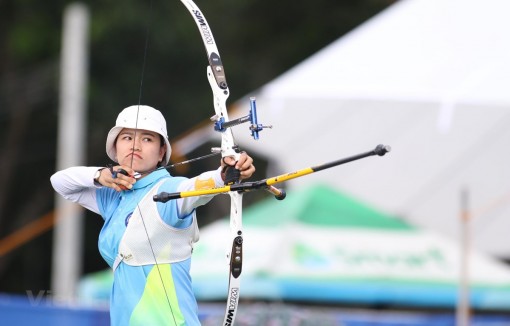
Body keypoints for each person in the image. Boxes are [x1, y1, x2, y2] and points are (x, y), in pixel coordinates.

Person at [50, 105, 255, 325]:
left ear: (160, 152)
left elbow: (197, 188)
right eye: (127, 137)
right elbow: (60, 182)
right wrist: (99, 175)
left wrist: (225, 174)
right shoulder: (114, 198)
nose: (135, 145)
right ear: (115, 147)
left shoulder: (169, 191)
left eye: (147, 139)